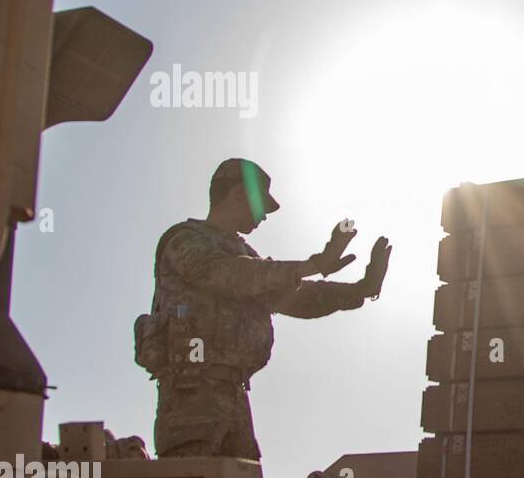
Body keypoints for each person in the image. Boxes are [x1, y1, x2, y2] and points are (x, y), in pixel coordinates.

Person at [135, 158, 391, 460]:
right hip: (191, 398)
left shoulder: (243, 254)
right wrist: (314, 264)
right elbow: (229, 274)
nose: (264, 216)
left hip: (234, 394)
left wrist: (359, 290)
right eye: (261, 204)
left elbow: (295, 299)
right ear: (239, 194)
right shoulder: (184, 240)